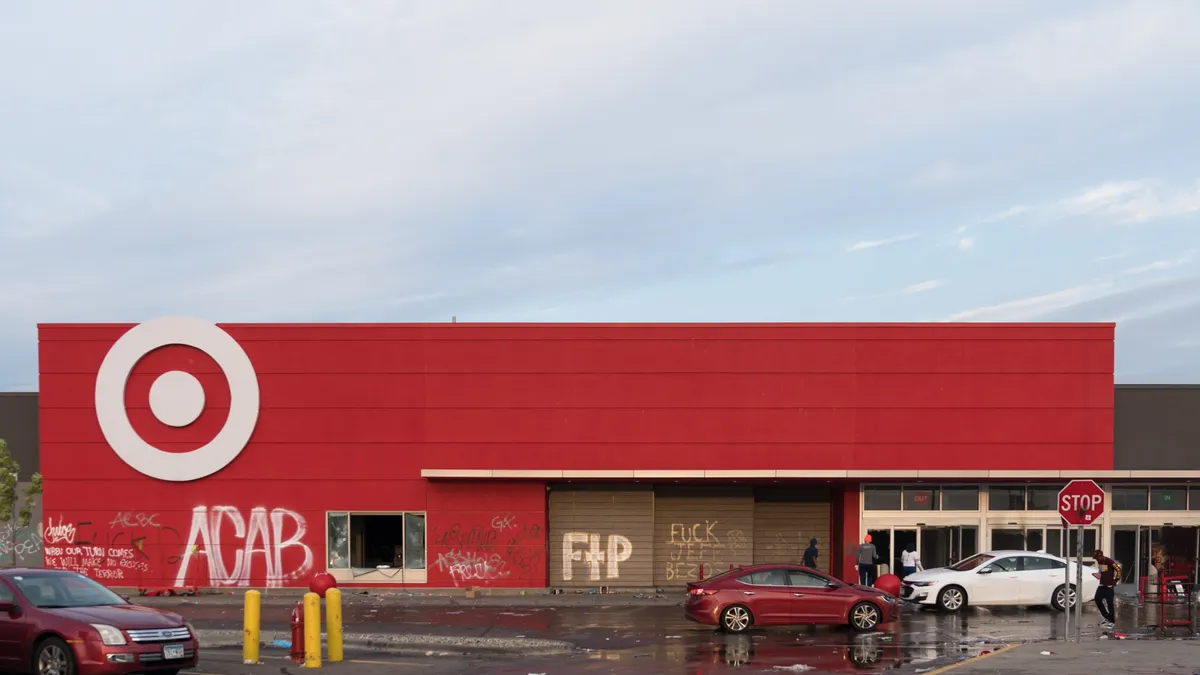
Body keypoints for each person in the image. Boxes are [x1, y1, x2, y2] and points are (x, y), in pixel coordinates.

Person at [1092, 549, 1118, 627]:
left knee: (1110, 604)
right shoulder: (1100, 561)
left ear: (1101, 556)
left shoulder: (1109, 561)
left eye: (1097, 558)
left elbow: (1119, 570)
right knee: (1097, 599)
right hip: (1102, 585)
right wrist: (1099, 575)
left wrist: (1115, 581)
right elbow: (1104, 571)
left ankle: (1112, 621)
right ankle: (1107, 617)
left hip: (1109, 586)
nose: (1096, 560)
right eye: (1095, 558)